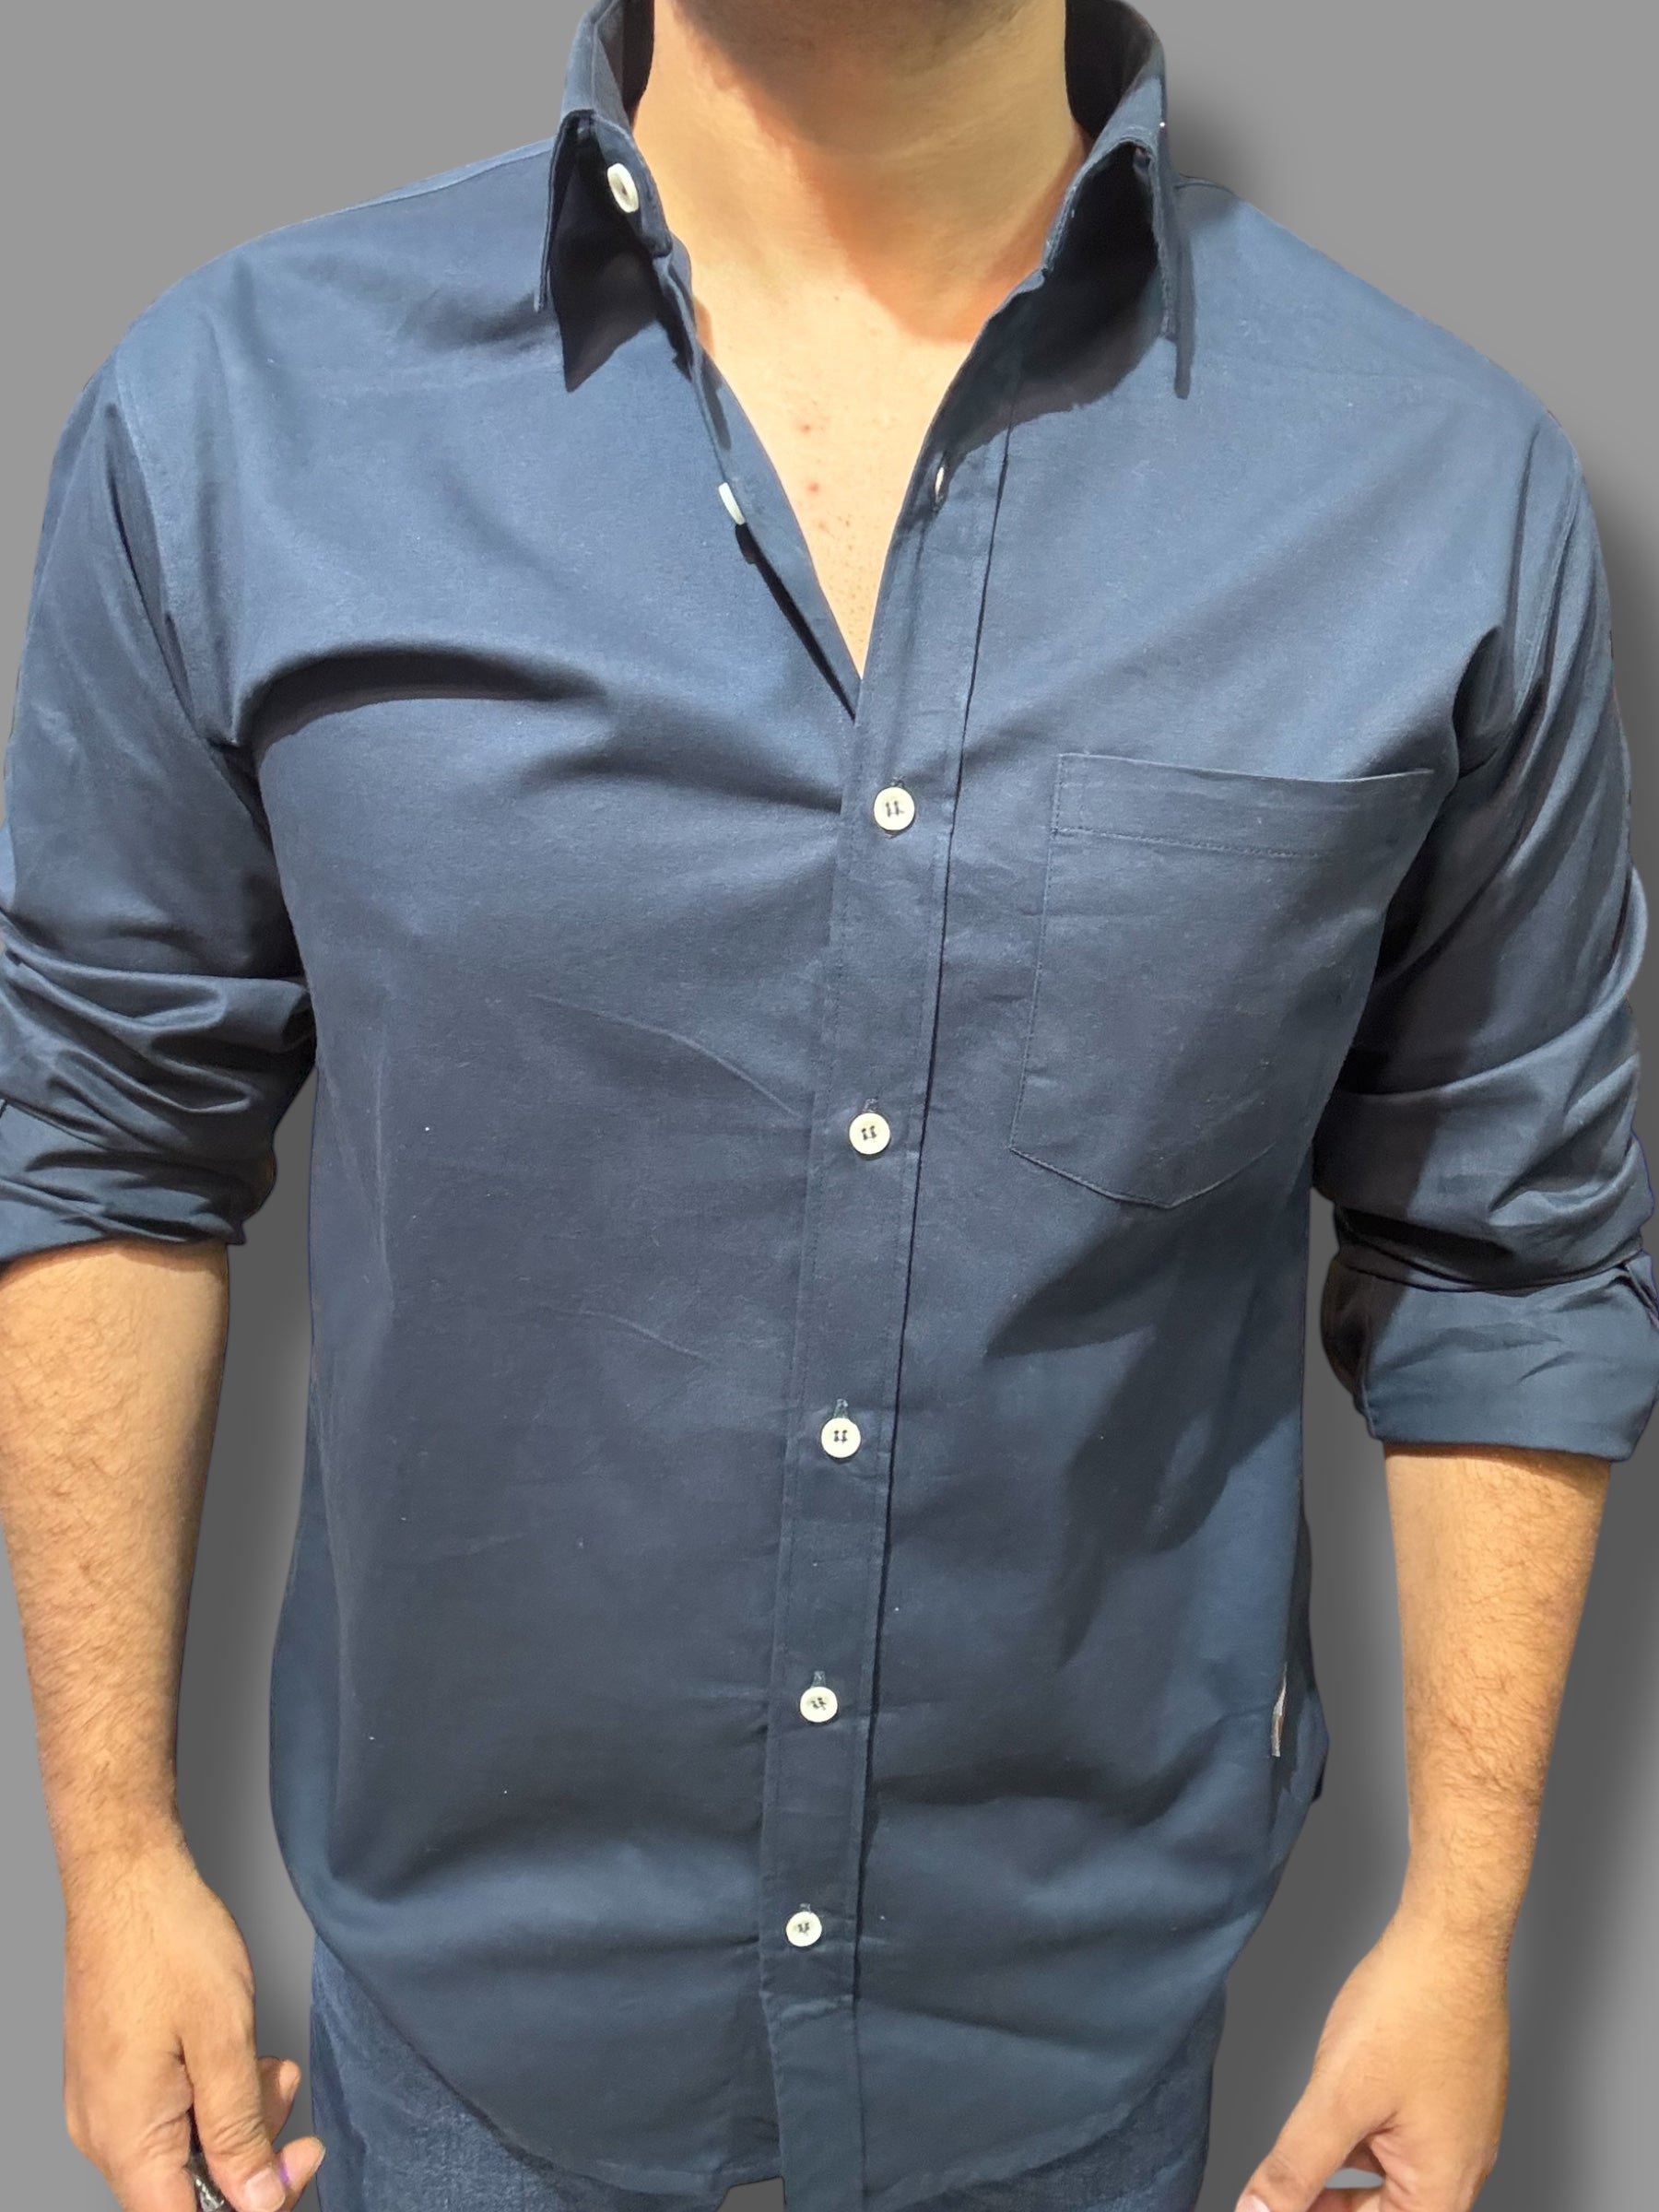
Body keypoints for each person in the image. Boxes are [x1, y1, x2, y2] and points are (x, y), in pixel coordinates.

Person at [0, 0, 1653, 2208]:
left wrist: (1462, 1918)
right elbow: (100, 1141)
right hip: (456, 2063)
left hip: (1088, 2073)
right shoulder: (236, 417)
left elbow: (1510, 1255)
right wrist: (113, 1853)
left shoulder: (1435, 488)